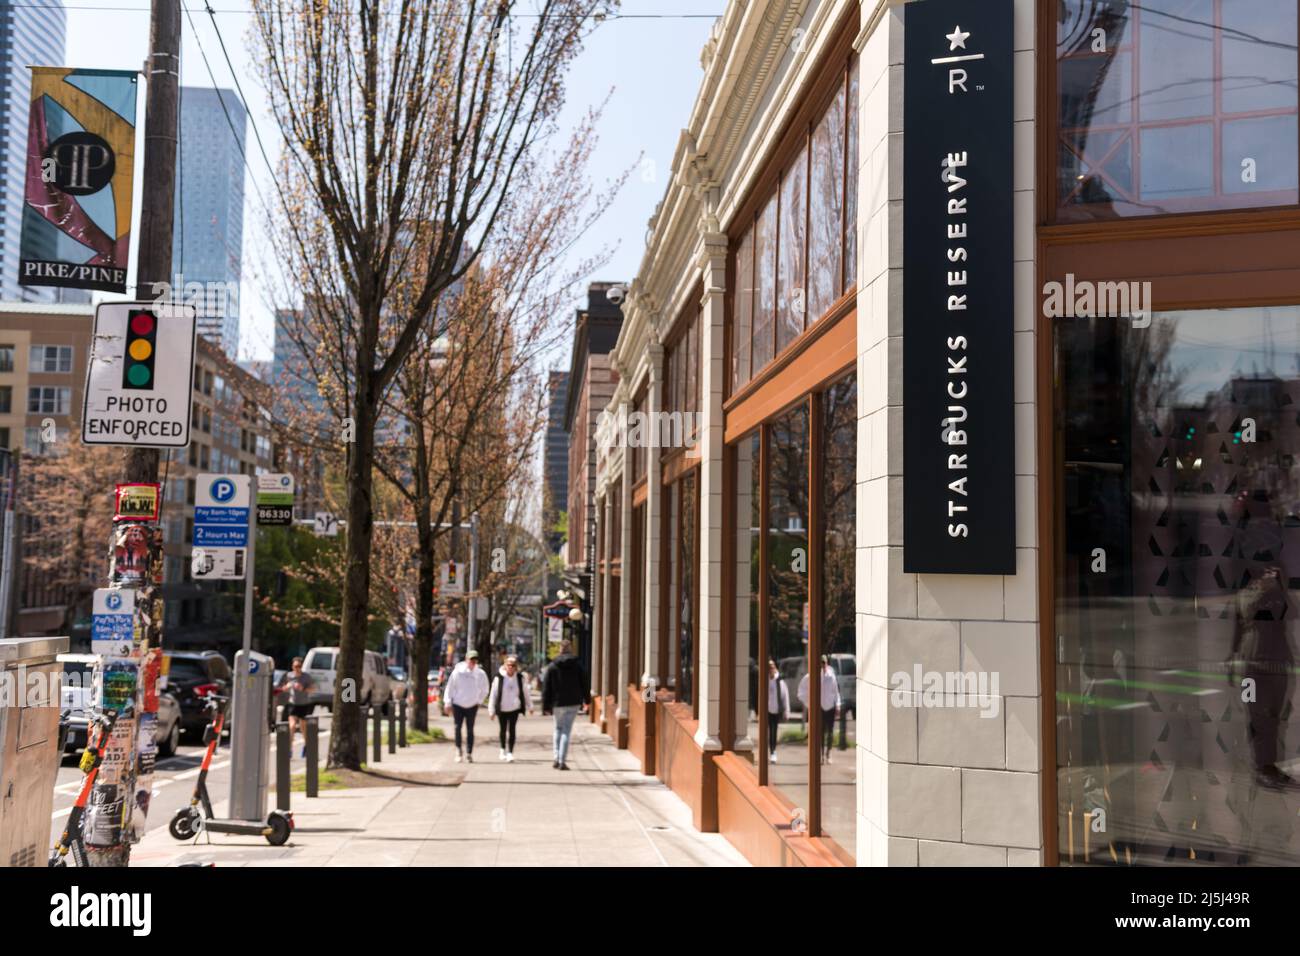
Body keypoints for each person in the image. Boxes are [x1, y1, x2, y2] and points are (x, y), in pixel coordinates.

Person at [542, 640, 587, 770]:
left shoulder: (552, 666)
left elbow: (546, 687)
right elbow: (584, 682)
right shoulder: (578, 665)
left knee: (557, 728)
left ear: (560, 650)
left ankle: (556, 758)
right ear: (571, 649)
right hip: (573, 702)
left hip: (557, 703)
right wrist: (587, 700)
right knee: (566, 730)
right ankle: (562, 760)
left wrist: (545, 706)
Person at [442, 650, 490, 763]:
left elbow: (485, 689)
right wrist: (447, 702)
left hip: (472, 705)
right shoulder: (458, 672)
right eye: (470, 660)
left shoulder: (480, 674)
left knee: (470, 729)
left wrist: (479, 700)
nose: (472, 662)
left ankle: (469, 752)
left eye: (474, 660)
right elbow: (450, 688)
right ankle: (458, 750)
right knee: (457, 727)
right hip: (458, 704)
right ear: (466, 659)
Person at [797, 656, 842, 764]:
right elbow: (801, 692)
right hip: (819, 708)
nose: (823, 665)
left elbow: (836, 692)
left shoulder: (831, 676)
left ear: (827, 663)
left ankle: (828, 753)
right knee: (820, 732)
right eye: (821, 663)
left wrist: (838, 705)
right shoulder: (811, 676)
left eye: (824, 663)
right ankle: (821, 754)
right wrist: (810, 704)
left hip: (830, 707)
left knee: (830, 732)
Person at [488, 655, 532, 761]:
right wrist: (491, 710)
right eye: (509, 665)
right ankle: (502, 750)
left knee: (512, 730)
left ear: (516, 667)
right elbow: (493, 694)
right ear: (505, 666)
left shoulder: (519, 678)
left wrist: (530, 706)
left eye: (513, 665)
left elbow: (525, 692)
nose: (511, 667)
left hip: (514, 708)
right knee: (503, 730)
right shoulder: (499, 678)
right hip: (502, 708)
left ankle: (510, 752)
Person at [275, 657, 315, 757]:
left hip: (304, 704)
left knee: (303, 728)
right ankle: (289, 749)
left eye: (299, 666)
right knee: (292, 726)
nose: (297, 668)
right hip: (293, 704)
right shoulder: (289, 676)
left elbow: (313, 689)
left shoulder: (306, 677)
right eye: (295, 666)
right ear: (292, 667)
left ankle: (306, 746)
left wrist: (303, 688)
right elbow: (283, 688)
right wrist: (287, 687)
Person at [766, 660, 791, 764]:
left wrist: (786, 711)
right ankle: (767, 752)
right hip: (766, 711)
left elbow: (785, 696)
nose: (771, 669)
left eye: (772, 667)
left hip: (776, 711)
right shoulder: (765, 680)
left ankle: (773, 752)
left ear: (775, 668)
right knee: (766, 733)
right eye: (769, 667)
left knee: (773, 732)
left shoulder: (779, 681)